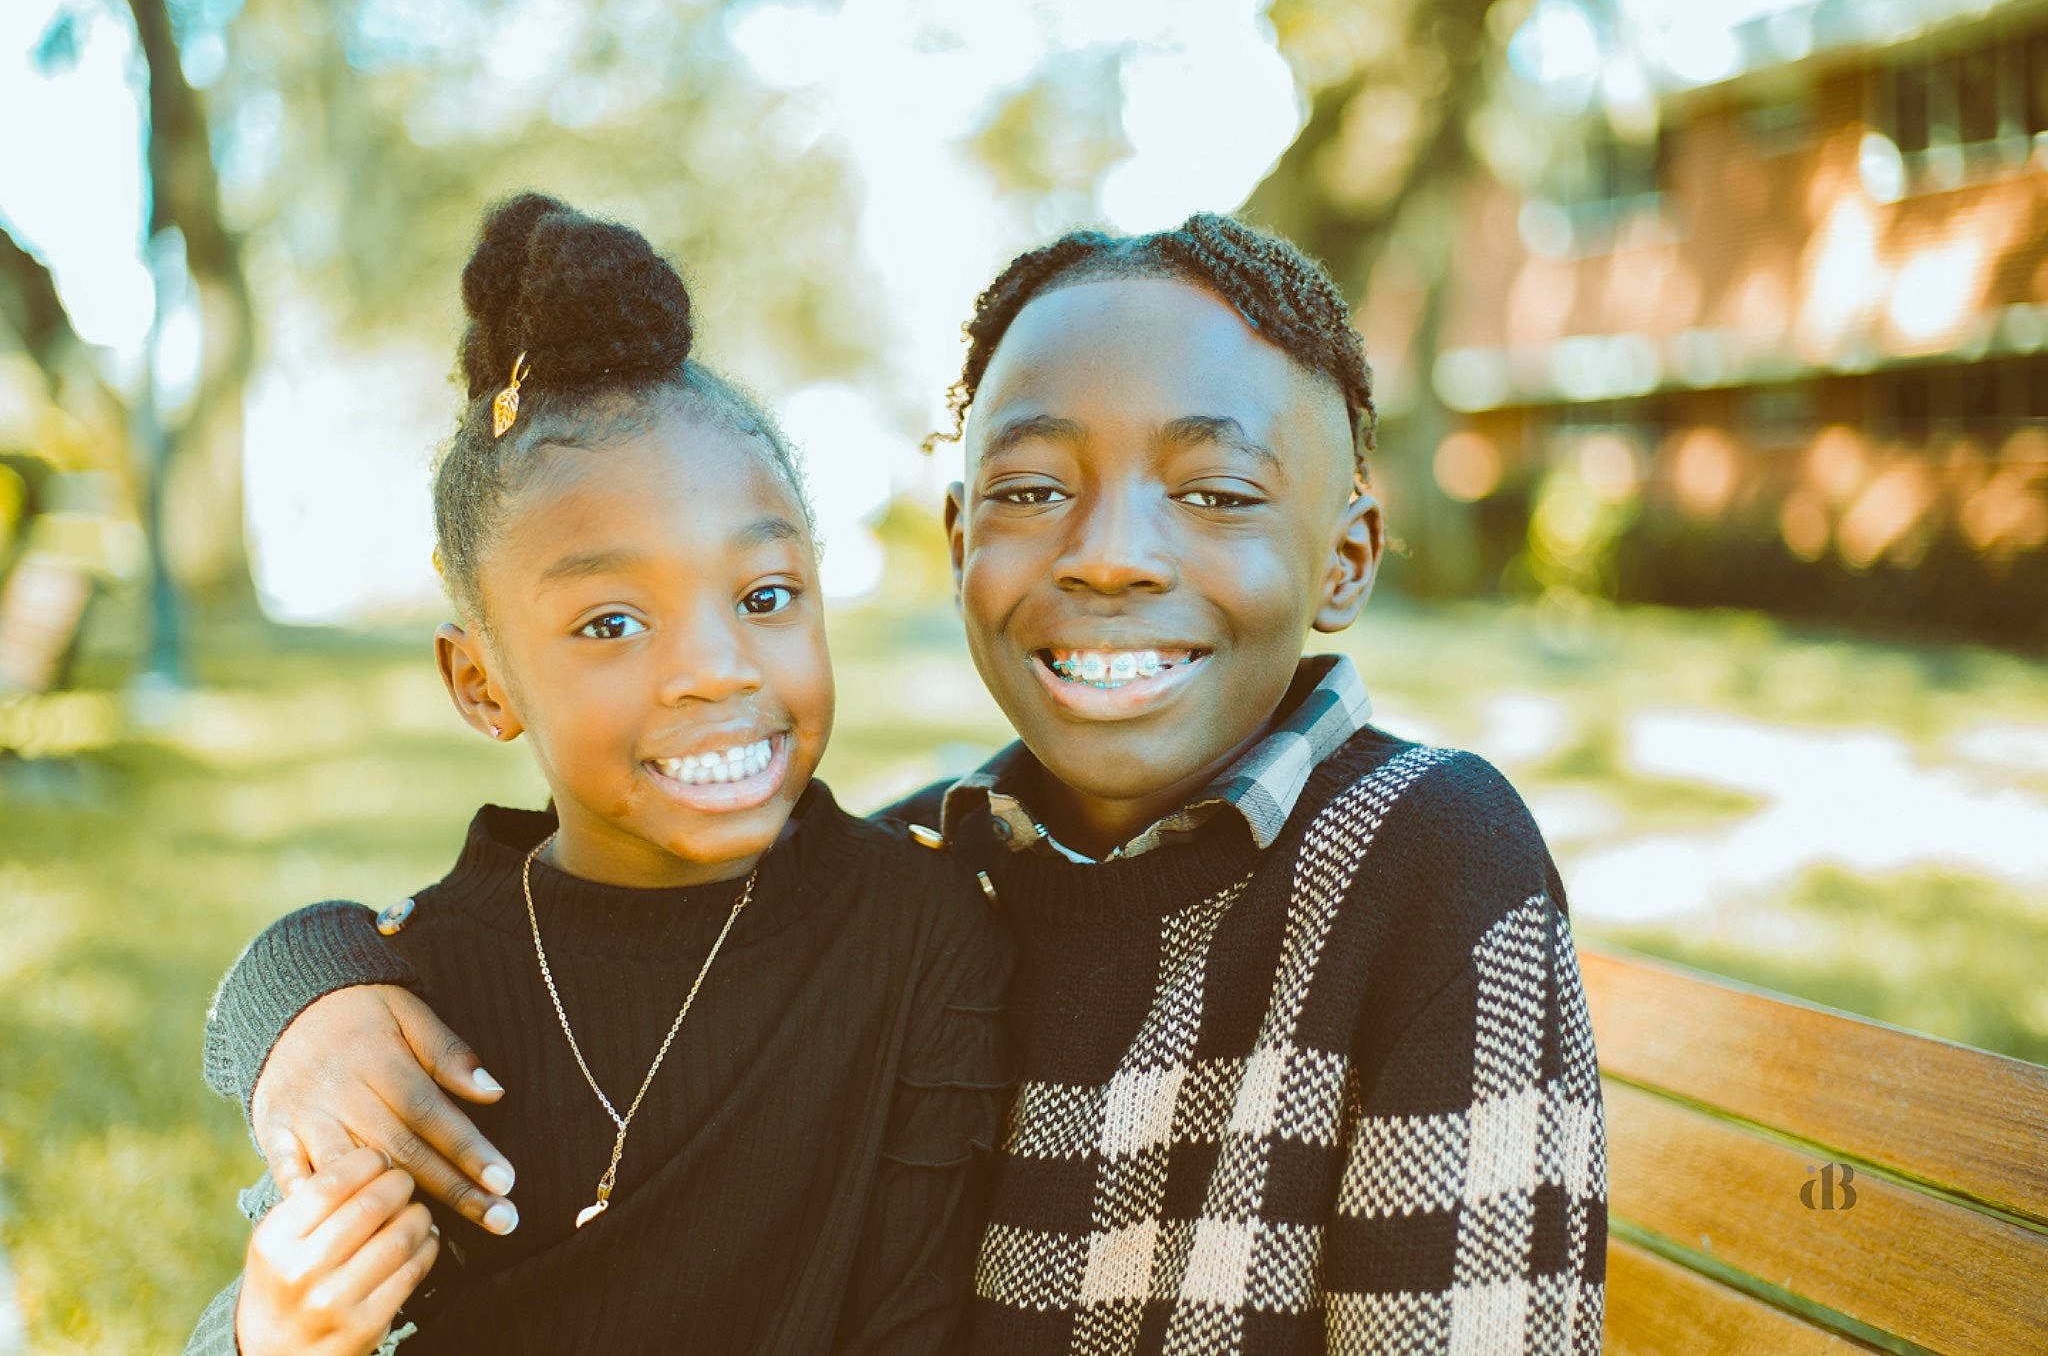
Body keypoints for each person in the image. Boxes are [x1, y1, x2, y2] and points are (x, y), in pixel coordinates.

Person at [201, 214, 1607, 1352]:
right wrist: (291, 996)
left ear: (1349, 557)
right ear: (956, 538)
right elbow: (558, 940)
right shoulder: (945, 862)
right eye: (1033, 488)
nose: (1109, 556)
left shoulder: (1421, 860)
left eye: (1217, 491)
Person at [186, 193, 1012, 1356]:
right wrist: (262, 1339)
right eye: (613, 622)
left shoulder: (919, 935)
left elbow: (914, 1318)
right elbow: (300, 1298)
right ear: (482, 683)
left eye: (764, 597)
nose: (715, 670)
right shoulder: (403, 1005)